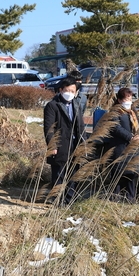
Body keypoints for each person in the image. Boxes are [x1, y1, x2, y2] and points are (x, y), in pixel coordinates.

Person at [43, 77, 85, 205]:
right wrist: (52, 145)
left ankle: (69, 200)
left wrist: (84, 143)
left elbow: (81, 126)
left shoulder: (76, 105)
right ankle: (57, 200)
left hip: (75, 144)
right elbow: (49, 128)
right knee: (59, 174)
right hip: (60, 145)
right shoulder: (52, 106)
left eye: (73, 91)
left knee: (74, 173)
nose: (70, 93)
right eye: (67, 90)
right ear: (61, 90)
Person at [105, 88, 139, 203]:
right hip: (120, 148)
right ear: (120, 100)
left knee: (132, 174)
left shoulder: (133, 111)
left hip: (133, 149)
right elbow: (116, 127)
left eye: (131, 98)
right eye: (127, 98)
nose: (129, 101)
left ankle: (131, 199)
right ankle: (114, 200)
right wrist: (130, 137)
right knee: (118, 175)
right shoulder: (115, 112)